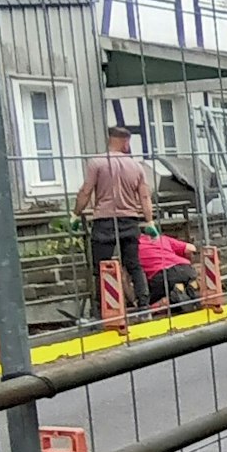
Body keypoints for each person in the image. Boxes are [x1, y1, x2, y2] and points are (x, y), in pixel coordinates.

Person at [73, 126, 153, 310]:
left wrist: (75, 214)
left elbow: (86, 191)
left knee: (101, 267)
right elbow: (144, 197)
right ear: (125, 142)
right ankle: (143, 303)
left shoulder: (97, 163)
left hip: (104, 220)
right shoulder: (136, 166)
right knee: (133, 264)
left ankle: (103, 307)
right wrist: (149, 221)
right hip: (130, 219)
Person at [138, 231, 200, 314]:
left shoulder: (132, 247)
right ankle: (190, 290)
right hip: (185, 268)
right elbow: (191, 248)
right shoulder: (162, 238)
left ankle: (171, 298)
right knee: (187, 283)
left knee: (150, 301)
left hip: (161, 275)